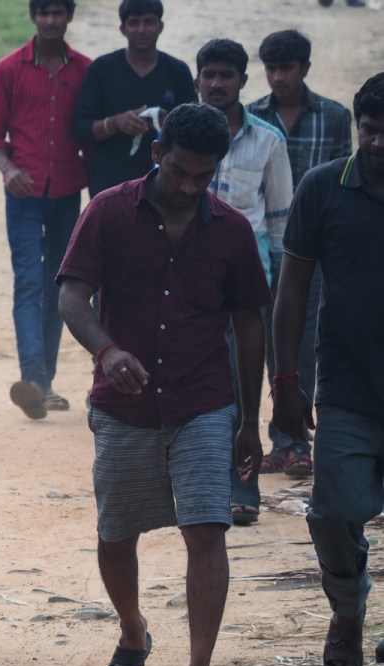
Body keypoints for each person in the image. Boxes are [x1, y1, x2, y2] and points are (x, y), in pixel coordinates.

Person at [57, 103, 271, 666]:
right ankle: (133, 631)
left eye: (203, 177)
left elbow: (248, 324)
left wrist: (250, 420)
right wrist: (106, 350)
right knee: (116, 533)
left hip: (203, 400)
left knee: (205, 529)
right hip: (123, 405)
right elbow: (71, 295)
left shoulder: (231, 230)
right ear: (157, 154)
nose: (188, 187)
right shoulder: (107, 211)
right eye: (179, 172)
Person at [271, 73, 384, 666]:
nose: (379, 144)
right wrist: (285, 381)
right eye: (370, 131)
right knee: (332, 512)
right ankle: (347, 607)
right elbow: (291, 290)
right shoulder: (323, 187)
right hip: (345, 385)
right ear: (357, 128)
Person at [195, 38, 293, 526]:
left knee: (240, 383)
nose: (217, 84)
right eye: (209, 75)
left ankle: (242, 485)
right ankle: (199, 485)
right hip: (189, 281)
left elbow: (279, 222)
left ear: (242, 81)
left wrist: (278, 291)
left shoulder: (268, 141)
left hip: (245, 282)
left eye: (226, 75)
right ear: (197, 81)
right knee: (197, 384)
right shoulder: (181, 134)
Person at [248, 30, 353, 478]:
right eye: (271, 68)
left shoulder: (333, 116)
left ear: (305, 68)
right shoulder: (251, 117)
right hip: (264, 246)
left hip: (311, 250)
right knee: (260, 339)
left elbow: (344, 181)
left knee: (302, 341)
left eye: (286, 68)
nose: (278, 77)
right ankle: (265, 438)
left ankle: (293, 440)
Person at [0, 0, 91, 420]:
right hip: (23, 194)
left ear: (69, 16)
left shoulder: (85, 70)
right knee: (28, 282)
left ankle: (45, 383)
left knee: (58, 285)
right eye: (43, 12)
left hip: (67, 191)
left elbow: (87, 131)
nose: (50, 20)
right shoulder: (9, 69)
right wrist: (9, 169)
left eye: (57, 12)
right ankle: (33, 380)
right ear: (33, 16)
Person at [73, 0, 197, 198]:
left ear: (160, 26)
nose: (141, 30)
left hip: (162, 185)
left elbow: (194, 129)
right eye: (133, 23)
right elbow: (80, 129)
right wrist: (115, 123)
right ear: (122, 29)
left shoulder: (177, 71)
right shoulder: (101, 69)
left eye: (149, 22)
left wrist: (168, 123)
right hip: (108, 183)